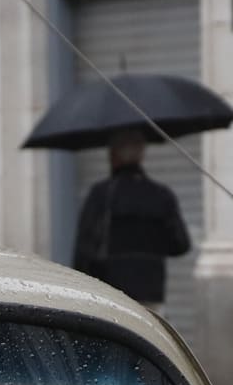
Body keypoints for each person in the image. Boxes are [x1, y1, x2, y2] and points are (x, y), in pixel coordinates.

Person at [70, 130, 191, 305]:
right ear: (141, 155)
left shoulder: (101, 194)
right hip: (151, 292)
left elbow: (84, 250)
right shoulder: (161, 195)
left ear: (113, 156)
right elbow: (180, 245)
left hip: (110, 293)